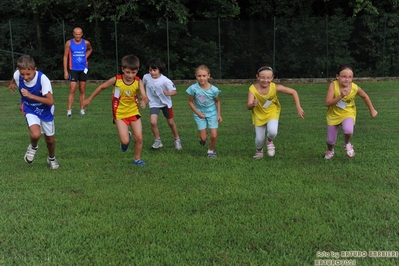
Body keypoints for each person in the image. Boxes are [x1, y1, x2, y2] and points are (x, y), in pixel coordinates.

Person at [82, 54, 148, 166]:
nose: (130, 75)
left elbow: (144, 96)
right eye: (127, 72)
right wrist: (89, 99)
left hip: (133, 112)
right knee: (125, 141)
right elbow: (101, 87)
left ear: (137, 71)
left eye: (133, 73)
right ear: (122, 69)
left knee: (139, 137)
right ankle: (127, 137)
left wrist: (144, 100)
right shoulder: (116, 80)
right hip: (119, 114)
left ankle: (137, 159)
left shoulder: (138, 81)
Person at [8, 55, 59, 169]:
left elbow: (50, 101)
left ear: (34, 69)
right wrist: (12, 83)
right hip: (30, 108)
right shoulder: (18, 75)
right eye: (23, 74)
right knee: (35, 134)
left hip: (46, 110)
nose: (25, 77)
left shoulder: (43, 79)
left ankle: (51, 158)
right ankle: (33, 147)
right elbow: (15, 74)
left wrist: (31, 95)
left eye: (28, 74)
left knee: (49, 139)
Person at [247, 66, 305, 159]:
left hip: (272, 112)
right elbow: (248, 106)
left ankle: (269, 141)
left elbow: (293, 92)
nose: (265, 80)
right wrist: (253, 104)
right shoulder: (252, 89)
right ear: (257, 77)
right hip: (258, 114)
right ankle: (259, 151)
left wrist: (298, 107)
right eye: (262, 77)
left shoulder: (275, 87)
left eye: (268, 78)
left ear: (272, 78)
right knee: (259, 139)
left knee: (273, 131)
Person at [324, 64, 378, 159]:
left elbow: (365, 96)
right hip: (333, 114)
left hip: (348, 112)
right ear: (337, 76)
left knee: (349, 130)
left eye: (350, 77)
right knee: (330, 140)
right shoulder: (333, 85)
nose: (347, 79)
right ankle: (330, 150)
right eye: (344, 76)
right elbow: (327, 103)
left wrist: (372, 109)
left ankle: (347, 143)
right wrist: (341, 96)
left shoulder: (355, 87)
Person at [142, 58, 182, 150]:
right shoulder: (146, 77)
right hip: (154, 103)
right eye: (150, 70)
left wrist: (168, 93)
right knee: (153, 122)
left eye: (154, 70)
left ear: (160, 69)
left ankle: (177, 139)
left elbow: (174, 91)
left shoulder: (165, 81)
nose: (152, 72)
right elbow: (142, 85)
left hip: (166, 104)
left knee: (171, 123)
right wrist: (144, 96)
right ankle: (157, 141)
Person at [186, 65, 222, 158]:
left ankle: (210, 151)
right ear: (196, 76)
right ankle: (202, 138)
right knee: (204, 138)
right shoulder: (193, 88)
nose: (201, 78)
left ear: (208, 76)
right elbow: (190, 102)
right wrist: (198, 113)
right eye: (199, 76)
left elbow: (217, 101)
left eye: (204, 76)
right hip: (199, 113)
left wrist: (219, 115)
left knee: (213, 136)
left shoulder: (214, 90)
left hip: (212, 113)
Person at [63, 27, 93, 117]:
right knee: (72, 89)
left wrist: (85, 56)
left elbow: (90, 49)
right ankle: (69, 110)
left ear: (82, 34)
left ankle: (82, 109)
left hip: (83, 69)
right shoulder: (69, 43)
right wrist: (65, 71)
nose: (77, 36)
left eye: (79, 34)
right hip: (73, 69)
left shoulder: (86, 43)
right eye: (76, 34)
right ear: (73, 34)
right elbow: (65, 56)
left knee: (82, 89)